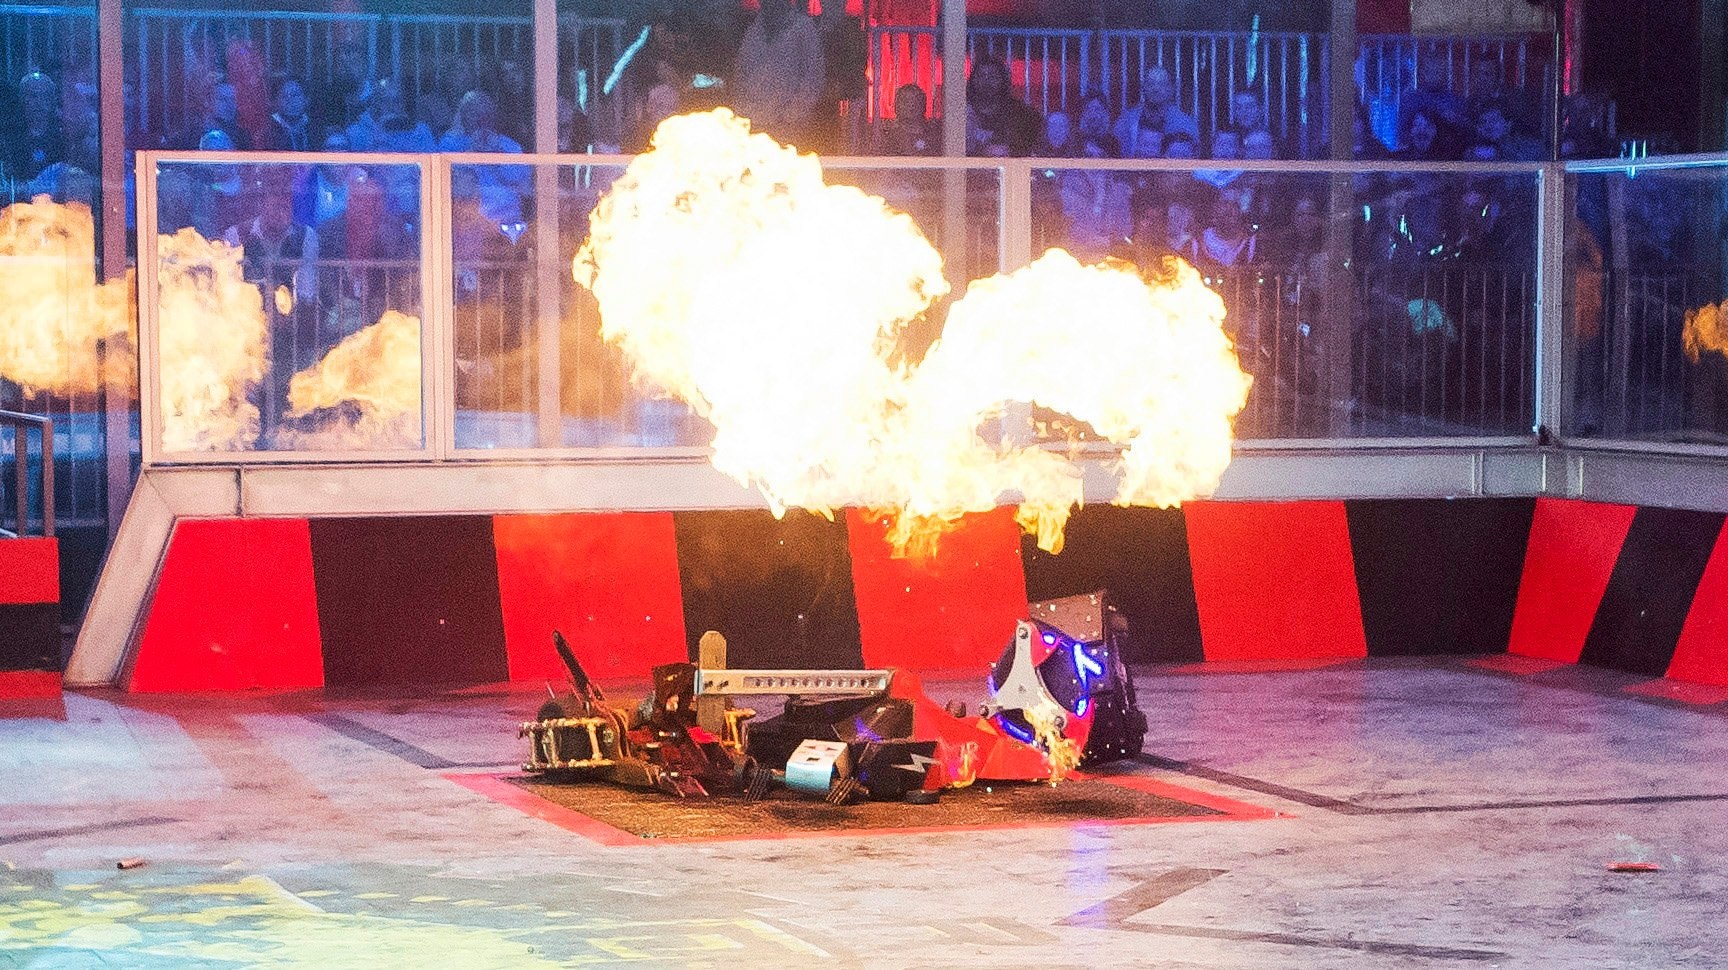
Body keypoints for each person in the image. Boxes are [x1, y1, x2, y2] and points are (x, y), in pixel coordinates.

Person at [731, 0, 825, 145]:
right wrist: (742, 113)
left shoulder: (803, 28)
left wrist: (791, 116)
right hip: (753, 125)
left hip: (787, 128)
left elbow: (812, 77)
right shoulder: (753, 31)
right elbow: (741, 75)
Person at [1113, 65, 1198, 155]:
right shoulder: (1126, 121)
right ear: (1143, 88)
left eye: (1162, 84)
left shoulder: (1185, 124)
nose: (1156, 89)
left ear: (1171, 89)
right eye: (1150, 84)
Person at [965, 57, 1040, 157]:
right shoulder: (962, 112)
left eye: (992, 76)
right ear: (972, 80)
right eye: (981, 76)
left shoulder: (1021, 113)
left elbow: (1030, 148)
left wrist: (1011, 151)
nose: (986, 81)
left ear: (1003, 80)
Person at [875, 83, 937, 156]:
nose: (911, 105)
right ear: (896, 106)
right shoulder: (888, 138)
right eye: (905, 101)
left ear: (924, 105)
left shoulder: (934, 137)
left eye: (916, 100)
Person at [262, 75, 312, 151]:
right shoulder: (266, 131)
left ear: (306, 100)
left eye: (295, 95)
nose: (290, 100)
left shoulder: (318, 129)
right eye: (284, 96)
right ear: (275, 102)